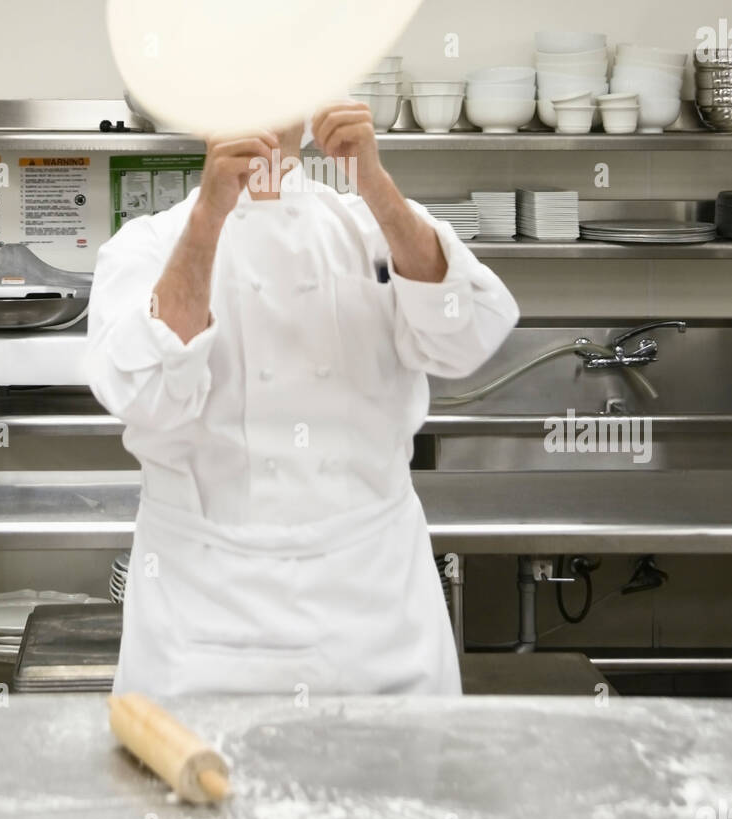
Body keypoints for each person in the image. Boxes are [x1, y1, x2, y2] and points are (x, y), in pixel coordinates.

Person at [86, 101, 519, 696]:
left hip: (374, 625)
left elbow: (465, 335)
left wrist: (375, 185)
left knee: (398, 786)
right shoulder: (146, 246)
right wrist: (212, 211)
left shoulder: (373, 224)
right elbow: (144, 393)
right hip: (203, 630)